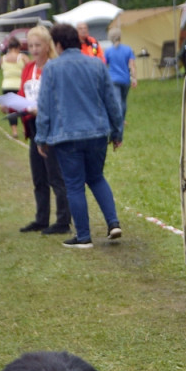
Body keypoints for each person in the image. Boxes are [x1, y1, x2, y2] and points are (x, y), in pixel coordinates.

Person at [35, 23, 123, 249]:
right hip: (97, 134)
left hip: (67, 137)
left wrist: (41, 137)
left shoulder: (52, 69)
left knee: (74, 185)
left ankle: (83, 236)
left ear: (59, 44)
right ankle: (113, 222)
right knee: (96, 178)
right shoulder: (97, 65)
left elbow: (44, 107)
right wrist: (117, 131)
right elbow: (112, 102)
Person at [5, 26, 71, 235]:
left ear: (47, 45)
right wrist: (11, 103)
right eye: (30, 45)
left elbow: (60, 97)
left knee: (55, 175)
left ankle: (63, 221)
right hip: (33, 125)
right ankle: (41, 218)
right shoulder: (28, 68)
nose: (33, 49)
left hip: (52, 126)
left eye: (37, 45)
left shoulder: (54, 67)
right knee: (39, 176)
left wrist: (40, 109)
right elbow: (23, 92)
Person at [104, 29, 137, 125]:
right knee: (123, 101)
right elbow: (132, 65)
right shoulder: (128, 49)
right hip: (125, 79)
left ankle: (118, 121)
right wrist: (134, 78)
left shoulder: (108, 51)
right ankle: (122, 120)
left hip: (113, 79)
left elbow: (104, 65)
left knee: (117, 101)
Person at [0, 36, 28, 138]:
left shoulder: (3, 58)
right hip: (20, 85)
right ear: (18, 46)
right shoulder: (22, 57)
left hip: (6, 85)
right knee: (23, 108)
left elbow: (1, 68)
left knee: (11, 109)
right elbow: (29, 67)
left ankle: (14, 131)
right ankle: (25, 129)